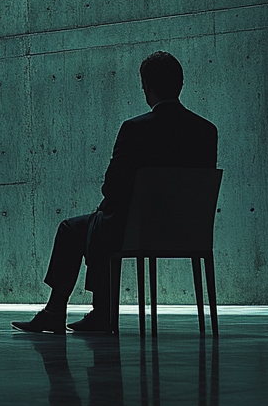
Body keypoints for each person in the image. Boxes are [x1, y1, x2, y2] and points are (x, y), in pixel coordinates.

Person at [12, 51, 217, 334]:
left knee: (78, 228)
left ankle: (62, 310)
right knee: (105, 219)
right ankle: (98, 313)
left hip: (136, 230)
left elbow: (113, 186)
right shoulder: (206, 131)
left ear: (147, 86)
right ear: (180, 84)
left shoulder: (135, 129)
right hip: (187, 231)